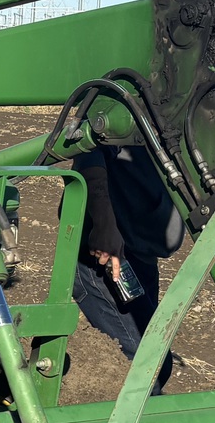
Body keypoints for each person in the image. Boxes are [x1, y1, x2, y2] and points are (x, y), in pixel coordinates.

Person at [71, 142, 183, 390]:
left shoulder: (174, 114)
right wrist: (104, 226)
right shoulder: (121, 108)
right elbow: (87, 153)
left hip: (143, 255)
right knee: (143, 366)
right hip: (110, 257)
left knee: (154, 360)